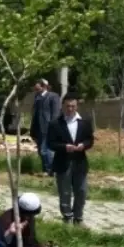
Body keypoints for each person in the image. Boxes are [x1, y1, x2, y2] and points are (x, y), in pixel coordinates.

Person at [46, 94, 93, 225]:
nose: (70, 109)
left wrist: (84, 145)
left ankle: (78, 217)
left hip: (80, 162)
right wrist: (65, 147)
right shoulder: (55, 124)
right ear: (63, 106)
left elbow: (90, 140)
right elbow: (50, 143)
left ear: (77, 106)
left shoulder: (84, 122)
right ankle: (67, 217)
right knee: (65, 192)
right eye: (68, 106)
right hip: (63, 162)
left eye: (73, 106)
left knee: (81, 191)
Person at [31, 79, 61, 174]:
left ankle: (51, 170)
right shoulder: (37, 97)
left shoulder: (53, 96)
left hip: (48, 127)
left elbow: (55, 113)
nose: (36, 90)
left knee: (46, 150)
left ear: (44, 86)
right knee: (41, 150)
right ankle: (46, 169)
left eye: (38, 88)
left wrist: (53, 126)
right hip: (38, 128)